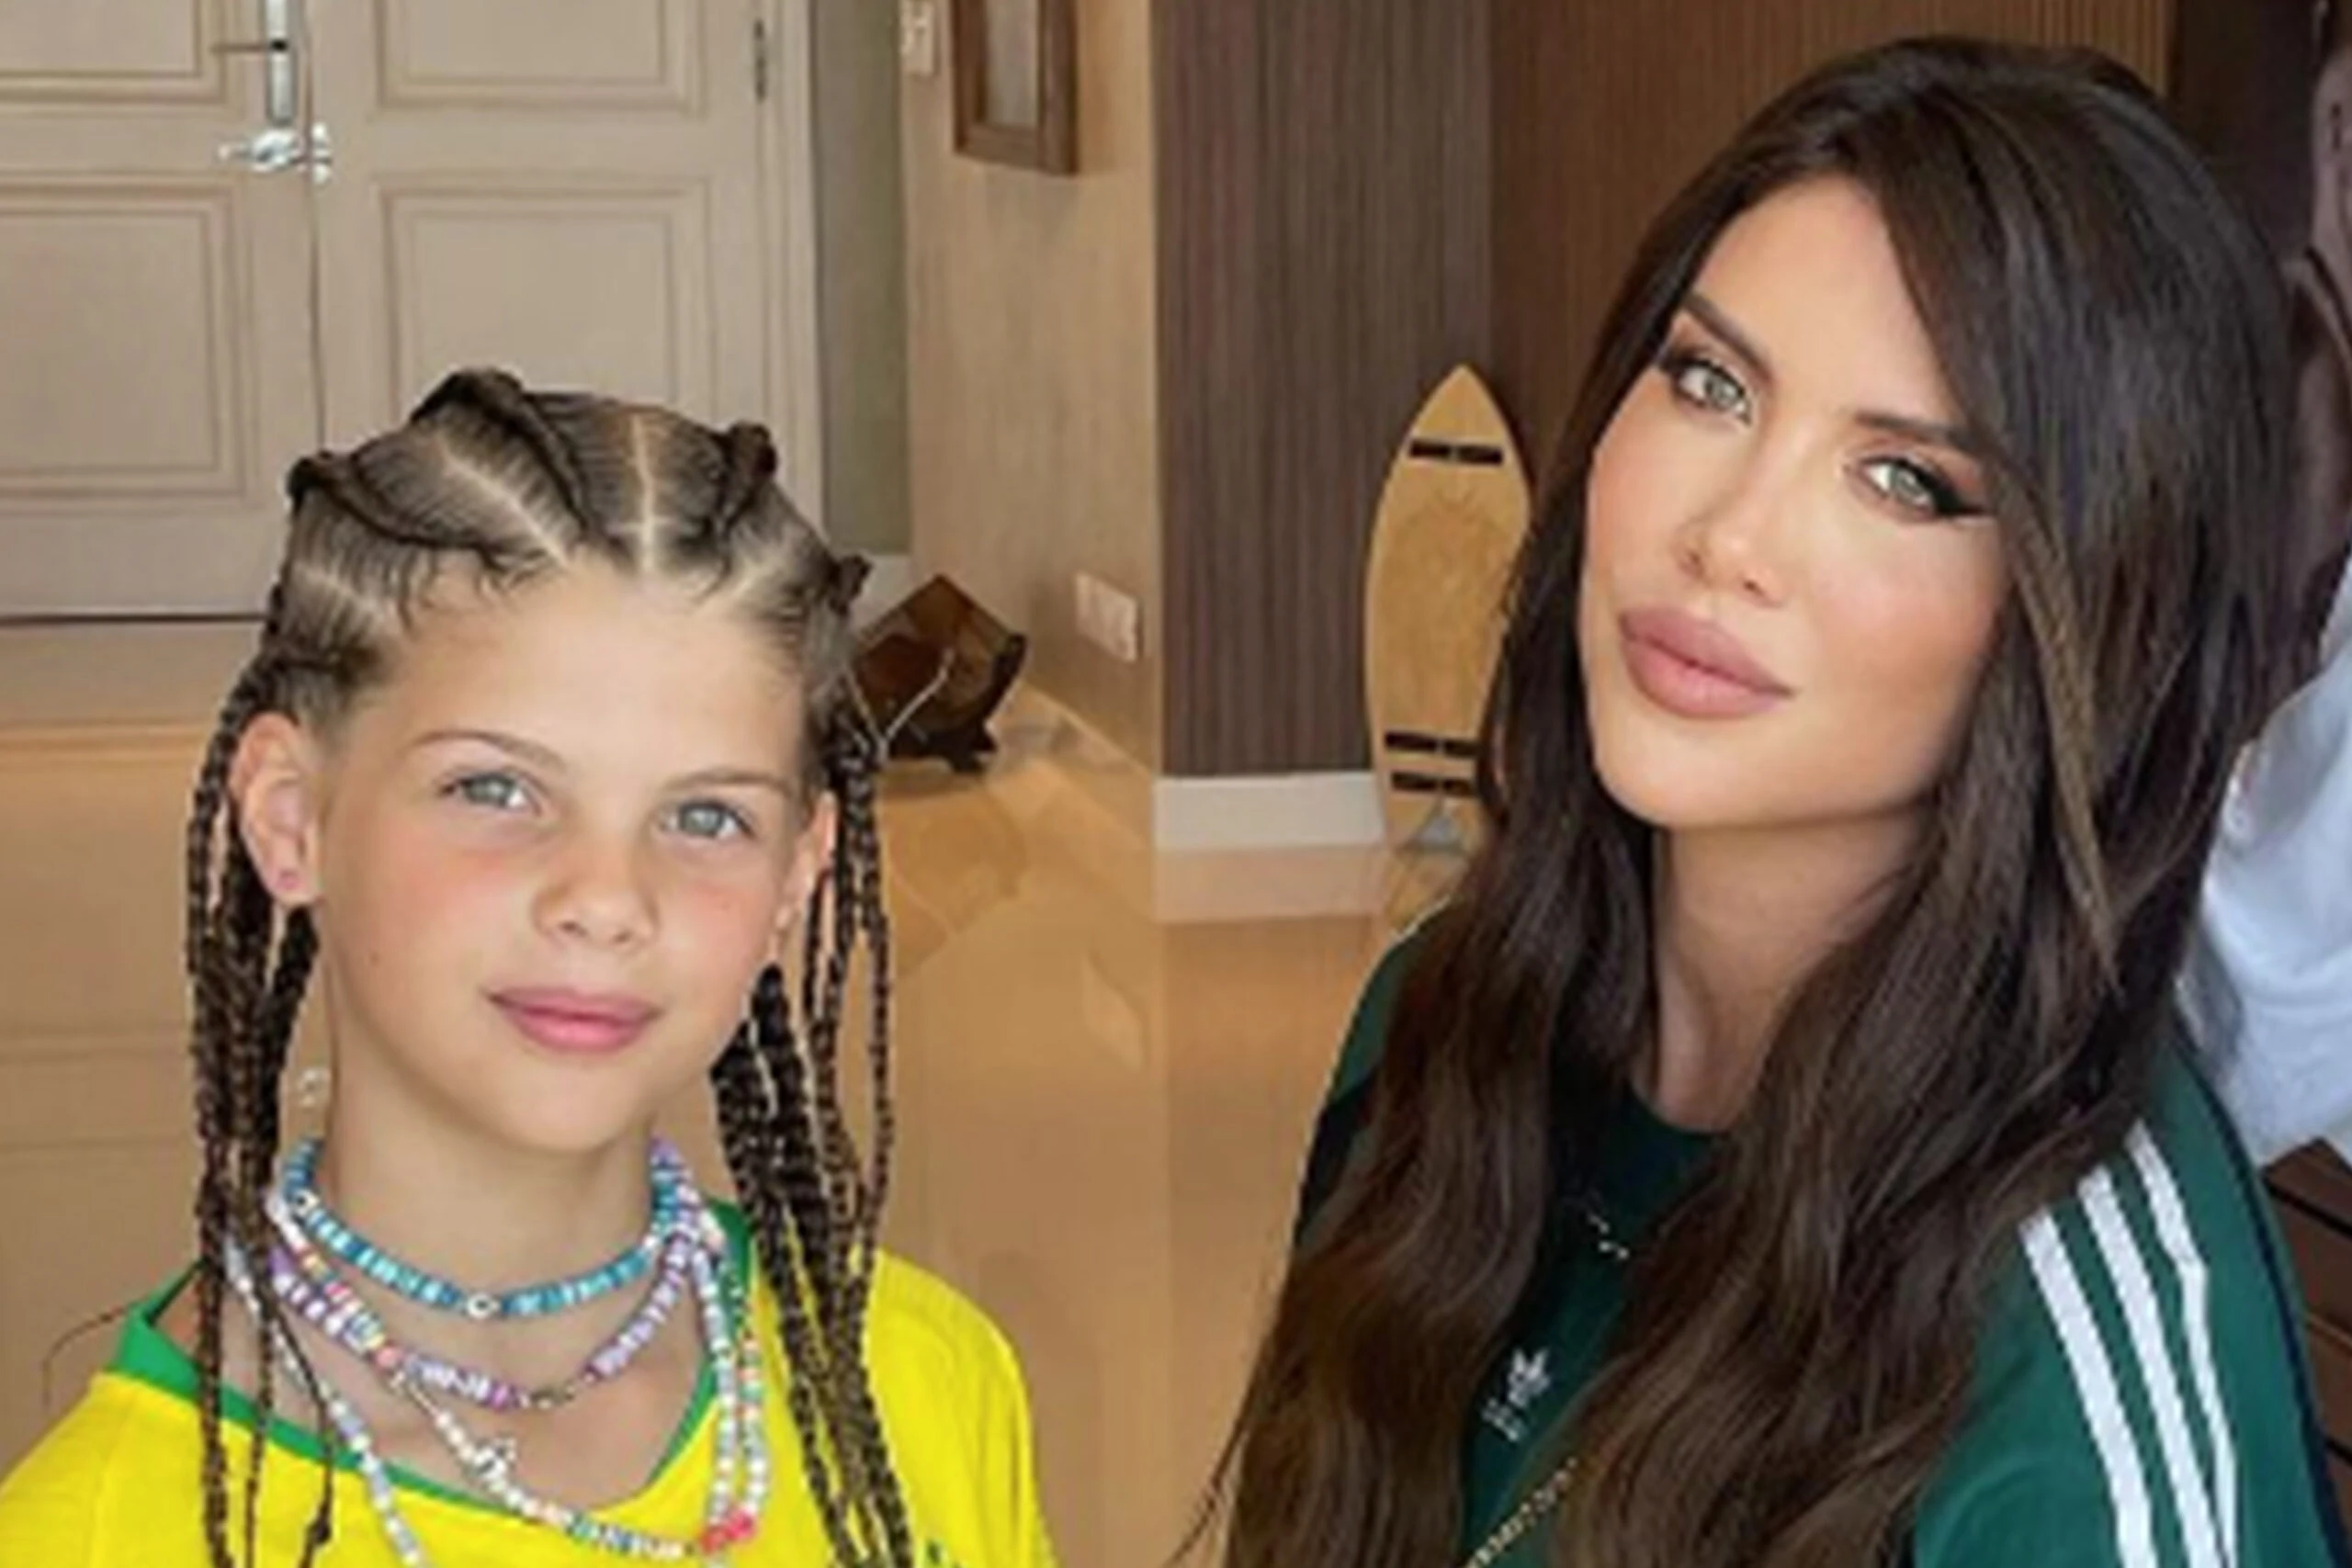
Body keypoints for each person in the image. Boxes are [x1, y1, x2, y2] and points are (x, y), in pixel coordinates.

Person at [1206, 39, 2346, 1568]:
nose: (1729, 536)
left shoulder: (2061, 1345)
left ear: (2085, 615)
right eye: (1711, 382)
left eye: (1906, 481)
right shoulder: (1439, 1027)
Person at [0, 370, 1058, 1568]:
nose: (605, 900)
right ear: (292, 819)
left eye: (705, 816)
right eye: (495, 789)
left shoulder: (920, 1380)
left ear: (796, 875)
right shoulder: (96, 1531)